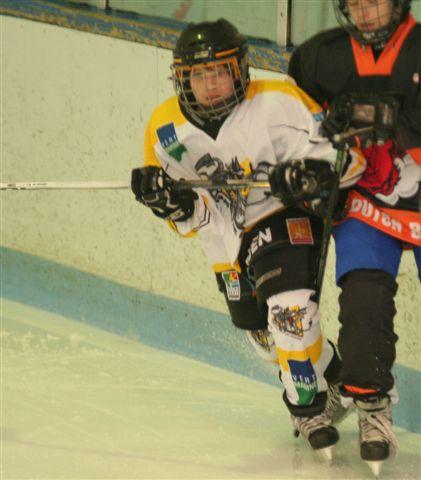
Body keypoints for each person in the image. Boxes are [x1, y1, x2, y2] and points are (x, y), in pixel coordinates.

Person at [131, 18, 364, 460]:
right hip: (227, 241)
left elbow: (346, 161)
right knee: (264, 336)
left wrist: (313, 175)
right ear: (182, 79)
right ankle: (335, 377)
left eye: (219, 72)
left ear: (239, 70)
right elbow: (195, 216)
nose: (211, 85)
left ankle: (307, 407)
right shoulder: (165, 131)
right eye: (199, 75)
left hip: (283, 216)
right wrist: (170, 203)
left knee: (290, 313)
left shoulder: (277, 101)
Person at [288, 0, 421, 475]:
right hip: (369, 203)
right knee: (363, 304)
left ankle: (352, 393)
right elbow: (295, 122)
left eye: (375, 0)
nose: (365, 12)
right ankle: (371, 405)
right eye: (355, 3)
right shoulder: (322, 57)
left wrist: (398, 124)